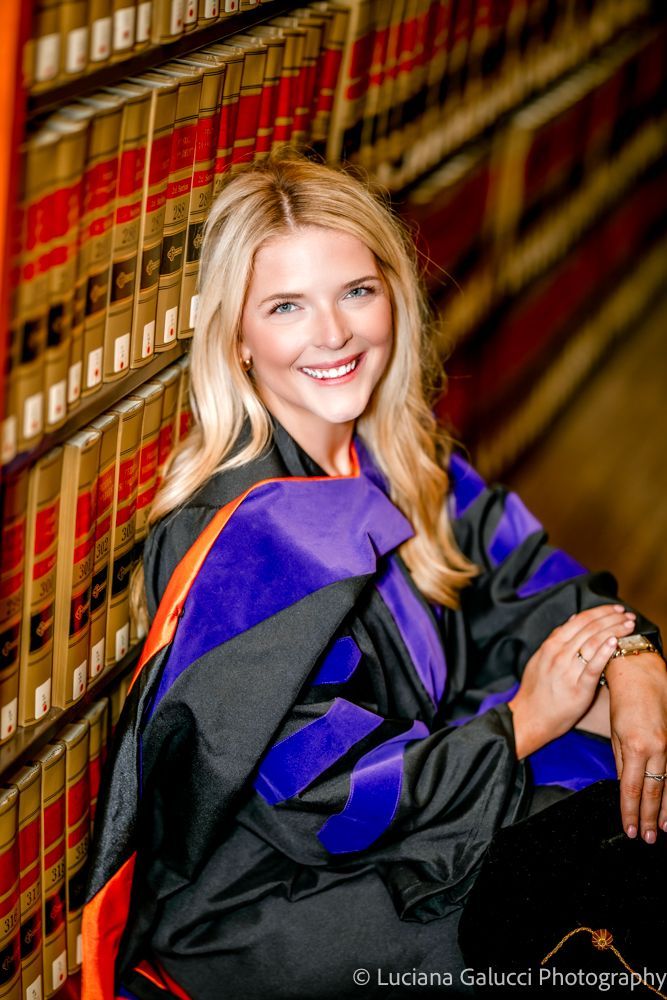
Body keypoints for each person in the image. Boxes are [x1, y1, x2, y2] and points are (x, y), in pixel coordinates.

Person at [82, 155, 667, 1000]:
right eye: (286, 306)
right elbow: (318, 799)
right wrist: (522, 725)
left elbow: (529, 583)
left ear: (394, 293)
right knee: (606, 886)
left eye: (355, 291)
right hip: (287, 894)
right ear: (237, 338)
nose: (333, 334)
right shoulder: (246, 541)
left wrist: (630, 656)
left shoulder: (399, 459)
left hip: (433, 799)